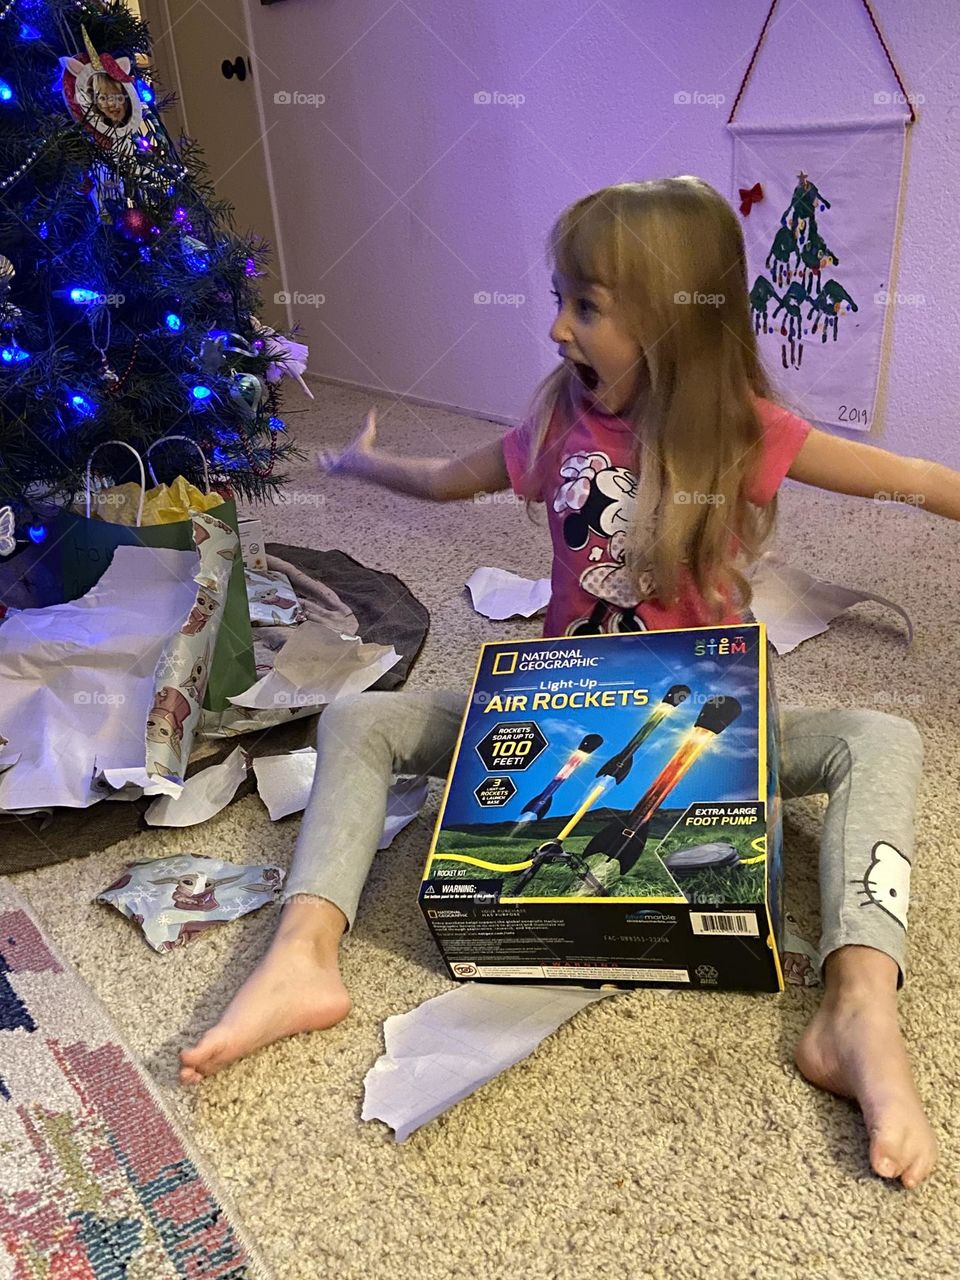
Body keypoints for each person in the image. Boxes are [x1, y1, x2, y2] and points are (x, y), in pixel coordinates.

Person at [181, 178, 959, 1189]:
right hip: (559, 729)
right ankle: (302, 951)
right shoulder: (557, 428)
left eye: (585, 304)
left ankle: (858, 1004)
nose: (555, 326)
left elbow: (910, 477)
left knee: (883, 736)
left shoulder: (743, 430)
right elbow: (450, 477)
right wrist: (371, 466)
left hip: (700, 740)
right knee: (364, 717)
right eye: (560, 296)